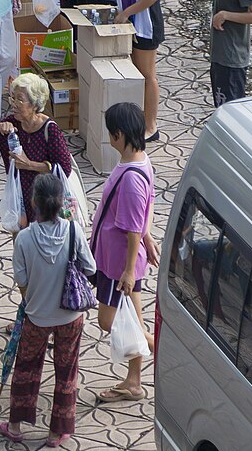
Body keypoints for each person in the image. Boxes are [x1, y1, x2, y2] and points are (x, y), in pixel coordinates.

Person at [0, 171, 96, 447]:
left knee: (26, 368)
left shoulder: (24, 239)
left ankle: (16, 425)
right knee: (67, 371)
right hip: (71, 316)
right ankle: (57, 432)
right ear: (61, 203)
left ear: (34, 203)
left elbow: (22, 281)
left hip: (37, 316)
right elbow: (90, 269)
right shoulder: (74, 231)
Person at [52, 0, 165, 140]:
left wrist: (127, 13)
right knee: (135, 72)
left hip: (145, 24)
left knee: (147, 74)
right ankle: (139, 119)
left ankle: (151, 126)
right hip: (128, 23)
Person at [90, 102, 158, 403]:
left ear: (118, 134)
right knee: (134, 318)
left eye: (110, 133)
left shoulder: (130, 178)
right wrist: (148, 236)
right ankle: (134, 382)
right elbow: (147, 210)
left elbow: (131, 228)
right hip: (121, 260)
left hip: (119, 264)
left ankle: (158, 347)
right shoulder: (142, 163)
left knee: (111, 320)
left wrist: (129, 271)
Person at [0, 73, 75, 229]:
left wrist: (30, 165)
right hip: (19, 197)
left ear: (34, 104)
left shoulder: (49, 129)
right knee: (21, 243)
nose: (14, 104)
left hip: (45, 200)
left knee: (44, 244)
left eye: (20, 99)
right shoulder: (10, 124)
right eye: (12, 98)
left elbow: (64, 168)